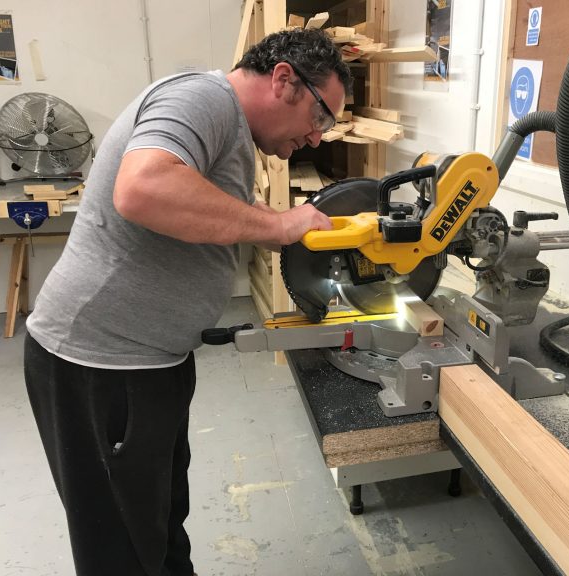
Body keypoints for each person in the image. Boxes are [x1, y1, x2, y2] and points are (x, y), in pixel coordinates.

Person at [23, 28, 352, 576]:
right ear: (284, 80)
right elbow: (143, 188)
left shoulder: (227, 124)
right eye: (320, 116)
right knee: (122, 553)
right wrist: (274, 224)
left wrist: (271, 226)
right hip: (99, 366)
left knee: (160, 531)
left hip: (151, 364)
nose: (318, 138)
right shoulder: (204, 99)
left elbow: (206, 201)